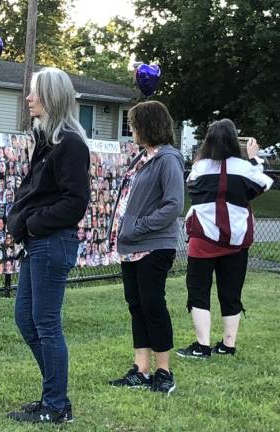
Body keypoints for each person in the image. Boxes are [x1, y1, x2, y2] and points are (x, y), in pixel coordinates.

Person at [5, 68, 90, 424]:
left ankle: (56, 405)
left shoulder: (70, 143)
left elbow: (76, 202)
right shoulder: (48, 139)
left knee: (46, 323)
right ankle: (52, 395)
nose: (28, 98)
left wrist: (34, 224)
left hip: (52, 243)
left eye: (34, 92)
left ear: (51, 97)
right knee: (26, 318)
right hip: (40, 243)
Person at [176, 119, 273, 359]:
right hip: (236, 239)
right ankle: (228, 345)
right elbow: (262, 184)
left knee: (198, 290)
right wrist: (253, 159)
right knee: (231, 292)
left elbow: (193, 188)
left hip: (203, 238)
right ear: (233, 140)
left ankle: (202, 345)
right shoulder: (243, 167)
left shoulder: (200, 168)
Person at [106, 101, 184, 395]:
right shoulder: (141, 158)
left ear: (149, 125)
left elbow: (174, 204)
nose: (131, 129)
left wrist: (139, 227)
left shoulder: (168, 159)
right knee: (136, 305)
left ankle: (164, 372)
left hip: (153, 246)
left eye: (135, 123)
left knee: (153, 305)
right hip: (131, 246)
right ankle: (141, 370)